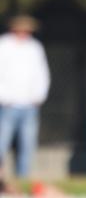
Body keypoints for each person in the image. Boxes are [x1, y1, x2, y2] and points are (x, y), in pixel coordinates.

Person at [0, 15, 50, 178]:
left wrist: (38, 96)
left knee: (27, 145)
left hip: (30, 104)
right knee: (2, 142)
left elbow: (42, 74)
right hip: (7, 104)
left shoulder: (35, 47)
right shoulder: (4, 45)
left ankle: (22, 177)